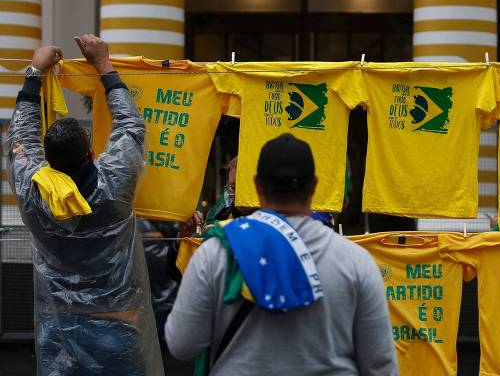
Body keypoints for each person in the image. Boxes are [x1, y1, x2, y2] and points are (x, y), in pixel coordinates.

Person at [165, 133, 397, 375]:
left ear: (255, 185)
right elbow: (379, 365)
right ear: (315, 186)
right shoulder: (356, 261)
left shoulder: (217, 252)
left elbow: (181, 344)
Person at [8, 36, 163, 375]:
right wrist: (103, 64)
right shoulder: (113, 184)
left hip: (56, 326)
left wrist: (34, 71)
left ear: (46, 160)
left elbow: (19, 139)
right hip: (117, 324)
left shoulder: (35, 191)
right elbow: (131, 127)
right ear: (91, 152)